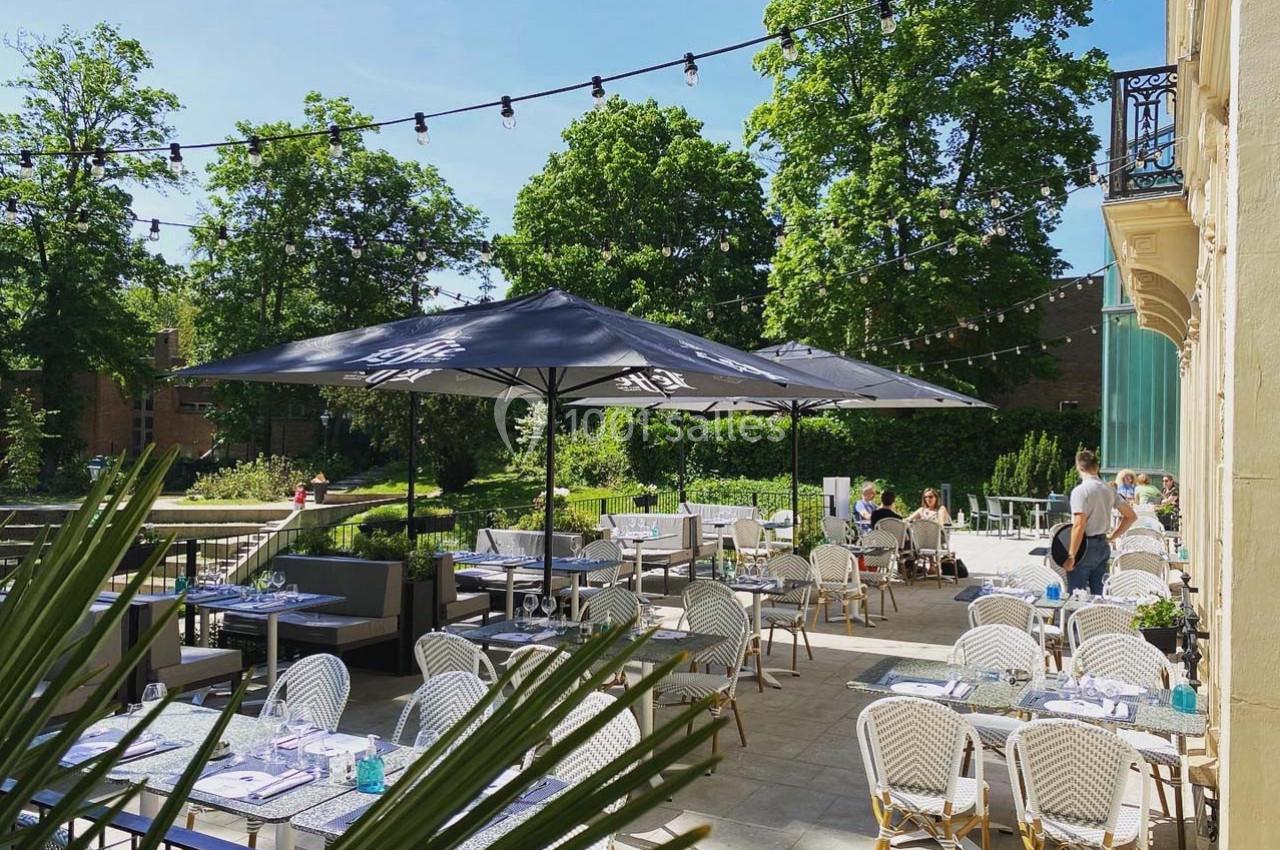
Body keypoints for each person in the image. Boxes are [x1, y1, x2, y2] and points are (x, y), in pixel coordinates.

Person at [1065, 450, 1137, 595]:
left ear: (1079, 467)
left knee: (1076, 596)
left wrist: (1071, 555)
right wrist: (1112, 536)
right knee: (1098, 595)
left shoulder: (1080, 491)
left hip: (1084, 546)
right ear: (1097, 467)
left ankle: (1075, 618)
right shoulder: (1109, 489)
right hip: (1102, 545)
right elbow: (1131, 516)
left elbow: (1079, 525)